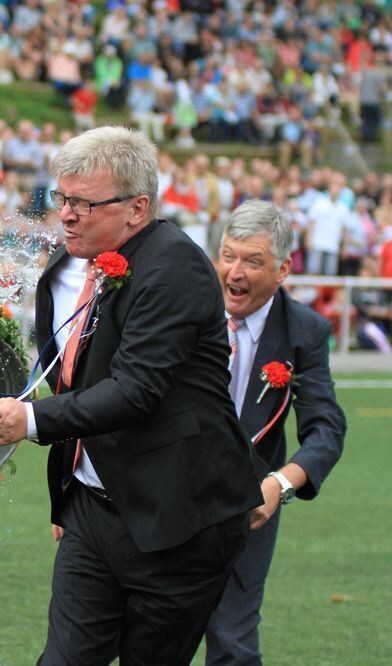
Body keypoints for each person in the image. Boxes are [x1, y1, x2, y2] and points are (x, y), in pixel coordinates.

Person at [0, 127, 262, 664]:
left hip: (180, 515)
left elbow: (137, 391)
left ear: (137, 209)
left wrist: (31, 421)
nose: (67, 215)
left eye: (84, 203)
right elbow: (69, 376)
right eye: (62, 198)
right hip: (92, 509)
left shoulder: (175, 265)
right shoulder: (67, 263)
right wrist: (68, 491)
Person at [205, 200, 346, 665]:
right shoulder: (186, 308)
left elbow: (327, 428)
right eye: (228, 256)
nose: (234, 272)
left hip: (248, 506)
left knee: (233, 643)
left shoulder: (305, 330)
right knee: (150, 638)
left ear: (283, 269)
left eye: (252, 261)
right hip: (169, 496)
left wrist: (279, 484)